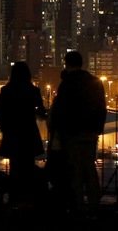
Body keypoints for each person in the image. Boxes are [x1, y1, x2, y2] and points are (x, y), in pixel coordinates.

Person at [48, 50, 107, 214]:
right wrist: (97, 128)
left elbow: (61, 110)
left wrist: (57, 131)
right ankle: (94, 204)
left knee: (75, 170)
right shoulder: (94, 82)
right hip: (90, 133)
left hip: (72, 132)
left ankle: (78, 206)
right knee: (90, 167)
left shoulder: (67, 83)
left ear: (67, 64)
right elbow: (102, 108)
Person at [0, 61, 47, 207]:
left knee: (15, 168)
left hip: (12, 134)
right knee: (28, 167)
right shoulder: (33, 91)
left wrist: (5, 127)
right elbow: (42, 112)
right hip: (29, 133)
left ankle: (15, 198)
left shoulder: (6, 91)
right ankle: (28, 198)